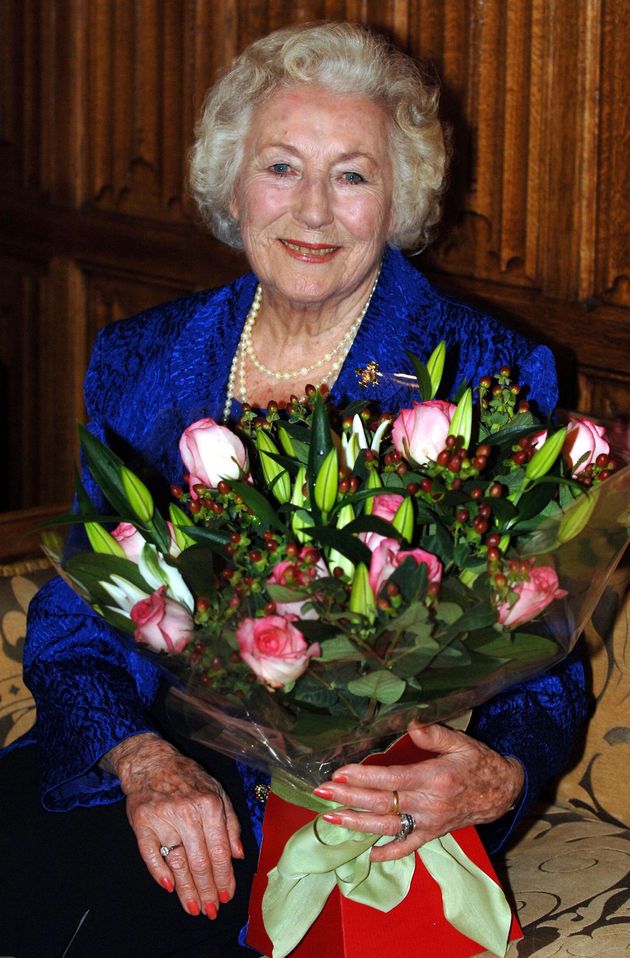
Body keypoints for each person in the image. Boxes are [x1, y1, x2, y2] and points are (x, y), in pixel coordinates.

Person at [0, 21, 587, 958]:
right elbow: (79, 620)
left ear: (400, 201)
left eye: (352, 175)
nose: (313, 210)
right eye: (281, 167)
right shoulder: (140, 357)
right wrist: (140, 759)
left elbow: (544, 653)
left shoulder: (487, 372)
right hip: (146, 768)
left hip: (351, 811)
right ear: (232, 187)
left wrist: (500, 776)